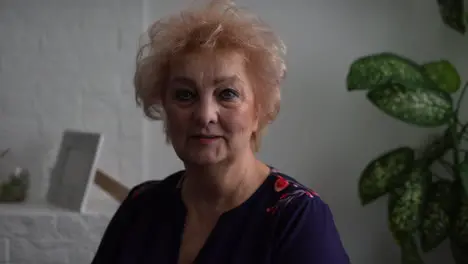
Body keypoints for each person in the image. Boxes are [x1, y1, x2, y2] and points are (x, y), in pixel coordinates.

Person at [91, 1, 350, 263]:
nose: (204, 115)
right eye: (185, 95)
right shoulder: (141, 206)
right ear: (164, 107)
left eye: (227, 93)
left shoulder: (296, 217)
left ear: (259, 109)